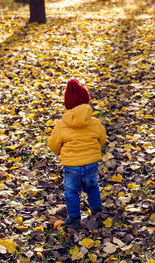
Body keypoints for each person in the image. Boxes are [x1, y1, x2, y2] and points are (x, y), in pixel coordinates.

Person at [48, 79, 107, 227]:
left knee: (72, 192)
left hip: (72, 165)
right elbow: (102, 139)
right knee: (92, 187)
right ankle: (97, 210)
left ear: (67, 104)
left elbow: (54, 146)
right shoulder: (94, 122)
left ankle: (74, 218)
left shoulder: (61, 125)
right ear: (86, 102)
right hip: (91, 164)